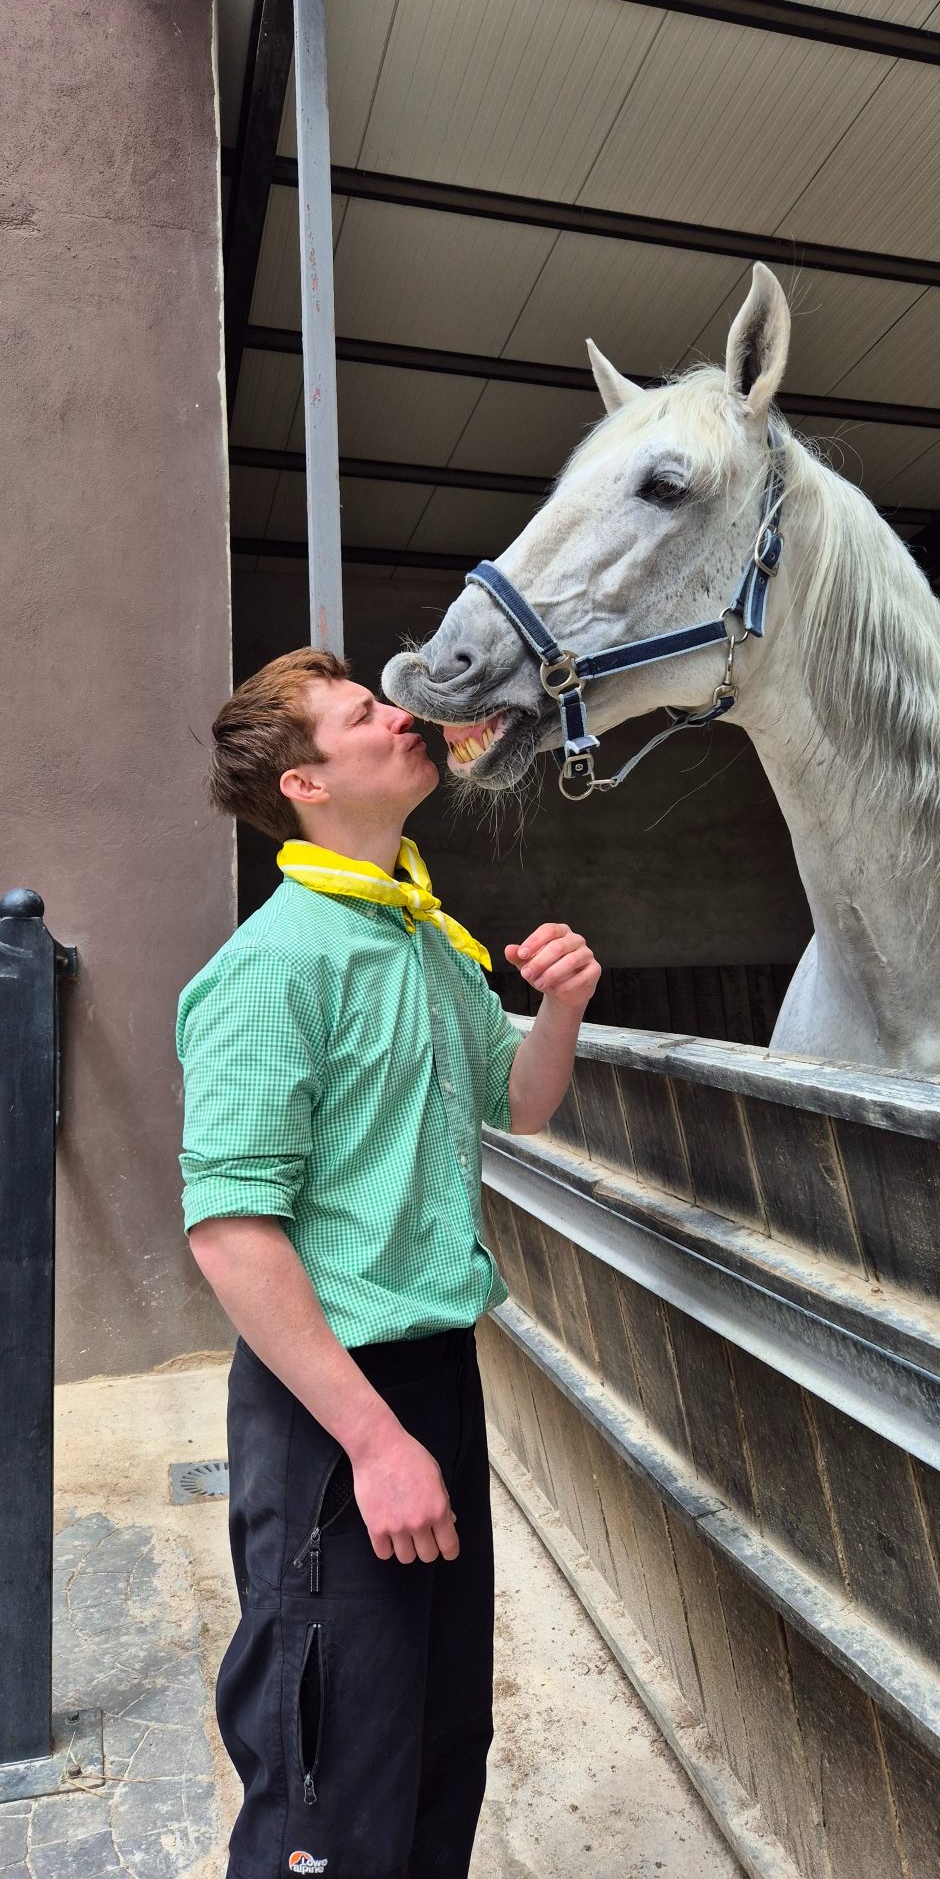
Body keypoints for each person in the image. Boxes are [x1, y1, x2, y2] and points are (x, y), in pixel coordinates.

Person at [176, 646, 600, 1879]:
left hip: (431, 1384)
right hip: (331, 1410)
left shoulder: (420, 938)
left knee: (433, 1748)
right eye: (365, 712)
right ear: (305, 785)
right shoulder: (271, 967)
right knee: (329, 1784)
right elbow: (231, 1232)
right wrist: (370, 1442)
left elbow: (518, 1105)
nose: (401, 715)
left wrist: (560, 1005)